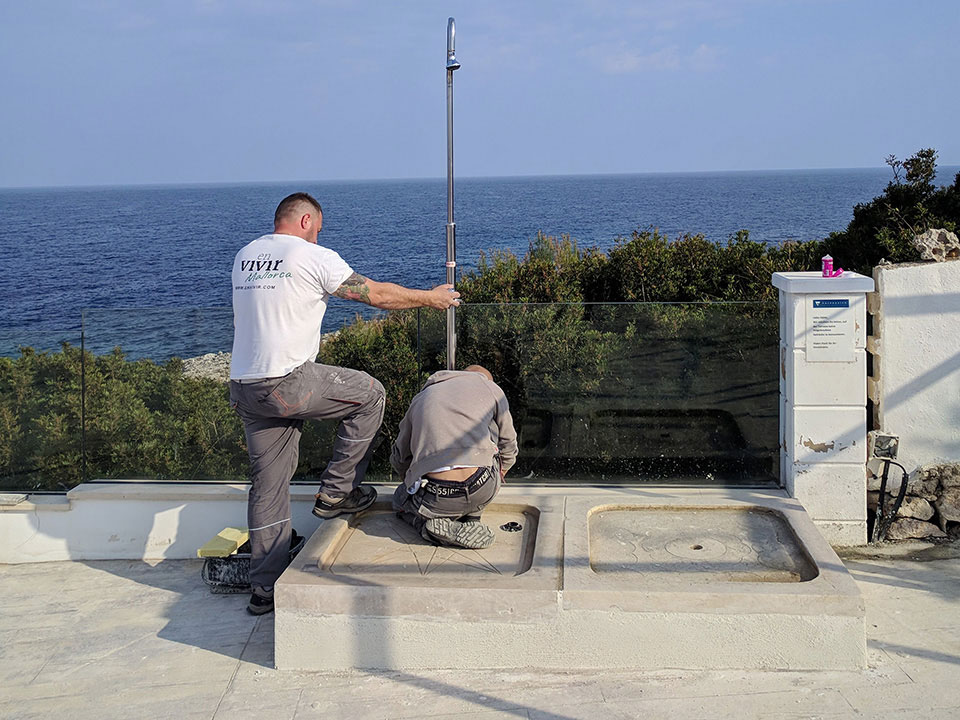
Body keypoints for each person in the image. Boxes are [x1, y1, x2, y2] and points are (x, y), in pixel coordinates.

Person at [229, 192, 460, 615]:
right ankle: (337, 493)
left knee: (268, 485)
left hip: (246, 383)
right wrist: (431, 298)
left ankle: (264, 590)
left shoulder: (246, 255)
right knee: (370, 394)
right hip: (287, 380)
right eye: (318, 226)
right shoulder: (310, 256)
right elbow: (375, 295)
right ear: (304, 221)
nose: (320, 234)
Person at [391, 365, 518, 549]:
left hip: (438, 497)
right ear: (485, 379)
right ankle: (472, 516)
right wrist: (500, 473)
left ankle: (426, 527)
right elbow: (509, 443)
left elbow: (400, 457)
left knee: (398, 500)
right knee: (490, 438)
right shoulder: (491, 389)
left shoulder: (421, 399)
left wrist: (409, 481)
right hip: (482, 487)